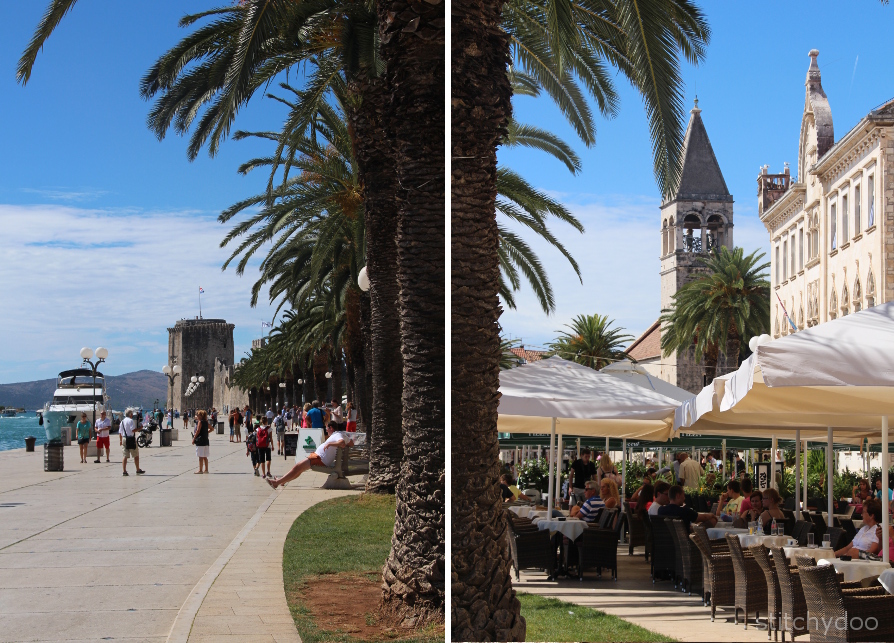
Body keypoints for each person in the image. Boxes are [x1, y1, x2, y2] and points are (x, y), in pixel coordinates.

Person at [267, 422, 354, 489]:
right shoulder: (341, 434)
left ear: (331, 428)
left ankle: (276, 483)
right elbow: (351, 443)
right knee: (299, 469)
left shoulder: (337, 435)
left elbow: (341, 442)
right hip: (318, 457)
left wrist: (330, 444)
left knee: (297, 467)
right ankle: (282, 481)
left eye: (327, 428)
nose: (326, 430)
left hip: (319, 458)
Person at [119, 410, 145, 476]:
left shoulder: (122, 421)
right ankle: (137, 469)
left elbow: (120, 432)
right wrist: (140, 428)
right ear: (130, 414)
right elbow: (133, 430)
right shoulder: (131, 421)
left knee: (125, 455)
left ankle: (124, 471)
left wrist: (120, 440)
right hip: (131, 438)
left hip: (124, 438)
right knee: (135, 454)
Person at [192, 409, 211, 474]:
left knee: (200, 456)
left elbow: (198, 431)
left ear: (201, 415)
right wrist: (206, 432)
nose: (197, 415)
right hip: (206, 441)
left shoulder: (200, 422)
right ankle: (206, 469)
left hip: (200, 441)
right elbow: (212, 428)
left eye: (198, 414)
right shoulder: (206, 422)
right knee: (205, 456)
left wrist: (194, 439)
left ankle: (200, 470)